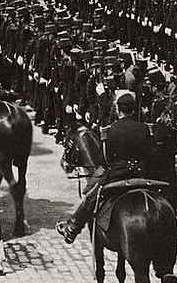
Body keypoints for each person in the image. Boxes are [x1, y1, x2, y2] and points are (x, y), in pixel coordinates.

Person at [56, 91, 153, 243]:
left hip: (119, 174)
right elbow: (150, 153)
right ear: (133, 110)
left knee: (91, 196)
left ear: (118, 110)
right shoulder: (144, 128)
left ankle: (72, 228)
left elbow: (104, 159)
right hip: (142, 174)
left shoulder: (111, 130)